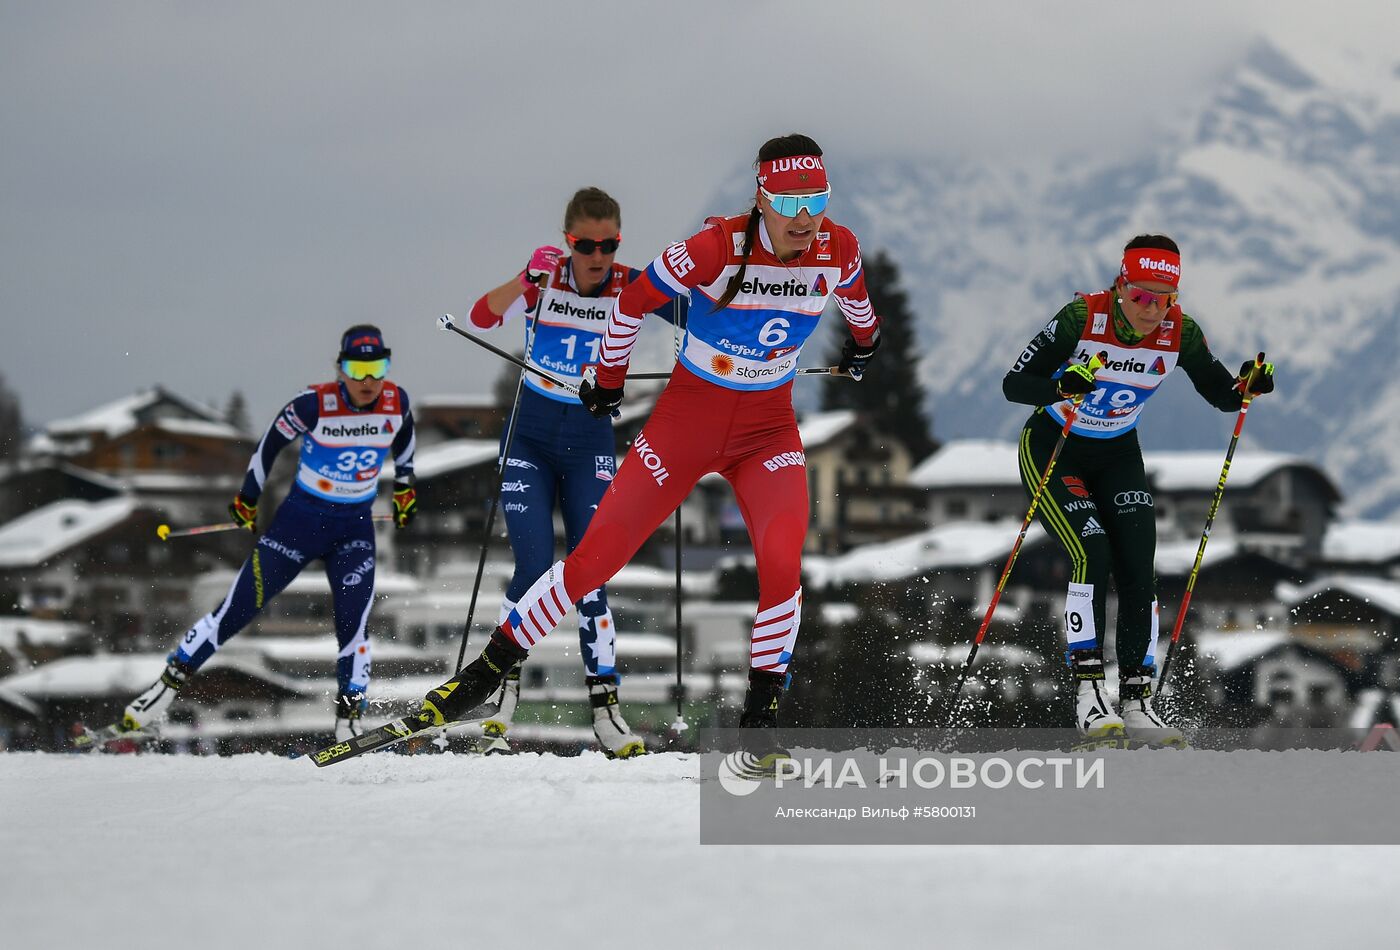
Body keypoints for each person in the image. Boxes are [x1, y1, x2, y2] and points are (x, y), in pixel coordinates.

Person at [420, 133, 882, 752]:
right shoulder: (715, 246)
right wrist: (608, 382)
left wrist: (864, 343)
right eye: (789, 202)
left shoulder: (839, 247)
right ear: (761, 198)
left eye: (816, 200)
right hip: (688, 421)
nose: (805, 218)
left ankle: (760, 727)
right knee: (593, 562)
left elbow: (859, 307)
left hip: (766, 430)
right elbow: (633, 300)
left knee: (781, 564)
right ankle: (483, 674)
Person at [87, 325, 418, 747]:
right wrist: (247, 498)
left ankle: (348, 723)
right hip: (299, 524)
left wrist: (406, 485)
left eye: (378, 368)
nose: (368, 381)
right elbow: (268, 447)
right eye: (358, 369)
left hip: (354, 528)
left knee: (353, 625)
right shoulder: (314, 404)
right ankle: (153, 701)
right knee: (235, 612)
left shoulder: (396, 401)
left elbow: (405, 436)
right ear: (341, 368)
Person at [1002, 235, 1274, 741]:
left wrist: (1246, 388)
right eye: (1142, 296)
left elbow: (1221, 394)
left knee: (1137, 564)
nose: (1152, 309)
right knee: (1093, 551)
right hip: (1055, 446)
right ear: (1121, 285)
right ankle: (1088, 694)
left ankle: (1137, 700)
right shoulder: (1080, 318)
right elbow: (1015, 384)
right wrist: (1062, 387)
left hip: (1118, 453)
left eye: (1164, 298)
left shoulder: (1181, 333)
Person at [465, 187, 677, 758]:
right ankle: (500, 698)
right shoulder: (545, 278)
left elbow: (697, 315)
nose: (598, 256)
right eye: (586, 244)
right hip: (530, 441)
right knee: (533, 569)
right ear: (568, 241)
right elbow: (479, 316)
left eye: (609, 244)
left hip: (589, 444)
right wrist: (520, 282)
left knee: (589, 574)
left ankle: (605, 710)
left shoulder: (632, 285)